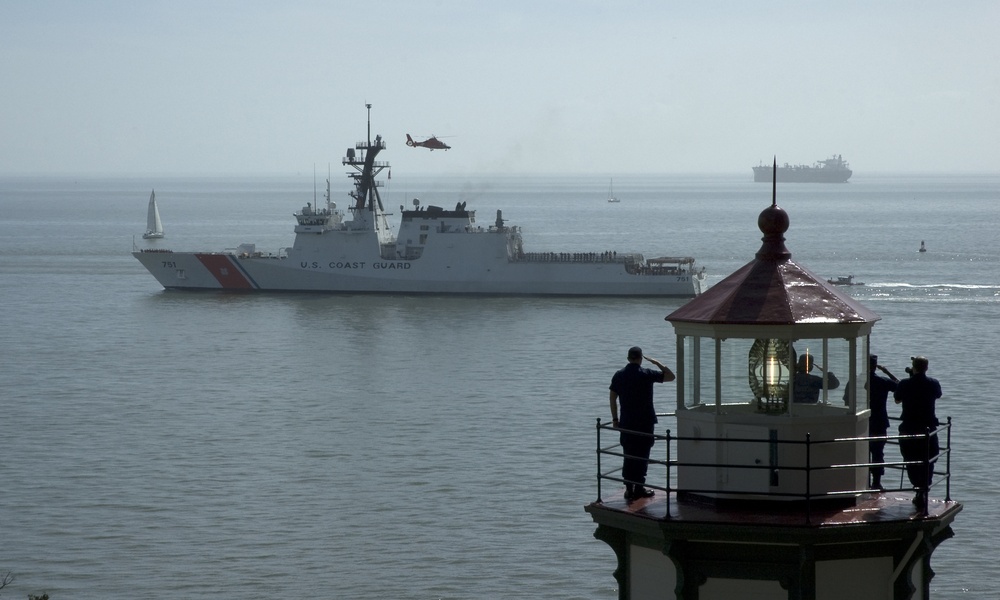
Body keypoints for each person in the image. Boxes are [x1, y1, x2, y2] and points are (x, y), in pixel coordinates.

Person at [609, 346, 675, 501]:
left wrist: (615, 419)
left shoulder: (619, 375)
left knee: (628, 455)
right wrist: (656, 362)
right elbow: (671, 377)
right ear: (640, 358)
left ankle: (628, 489)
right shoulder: (646, 374)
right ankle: (639, 487)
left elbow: (612, 398)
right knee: (642, 456)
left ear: (628, 358)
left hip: (627, 422)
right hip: (645, 422)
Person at [894, 356, 942, 507]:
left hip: (909, 427)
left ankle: (918, 488)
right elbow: (938, 395)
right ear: (926, 368)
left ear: (913, 367)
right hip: (928, 428)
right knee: (929, 459)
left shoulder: (905, 383)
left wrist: (910, 380)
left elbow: (897, 400)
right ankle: (924, 489)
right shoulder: (933, 383)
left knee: (911, 459)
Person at [866, 355, 899, 490]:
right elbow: (901, 386)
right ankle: (876, 482)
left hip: (862, 422)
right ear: (875, 366)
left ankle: (861, 480)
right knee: (878, 453)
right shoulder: (882, 381)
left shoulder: (857, 381)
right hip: (879, 421)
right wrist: (887, 372)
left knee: (861, 452)